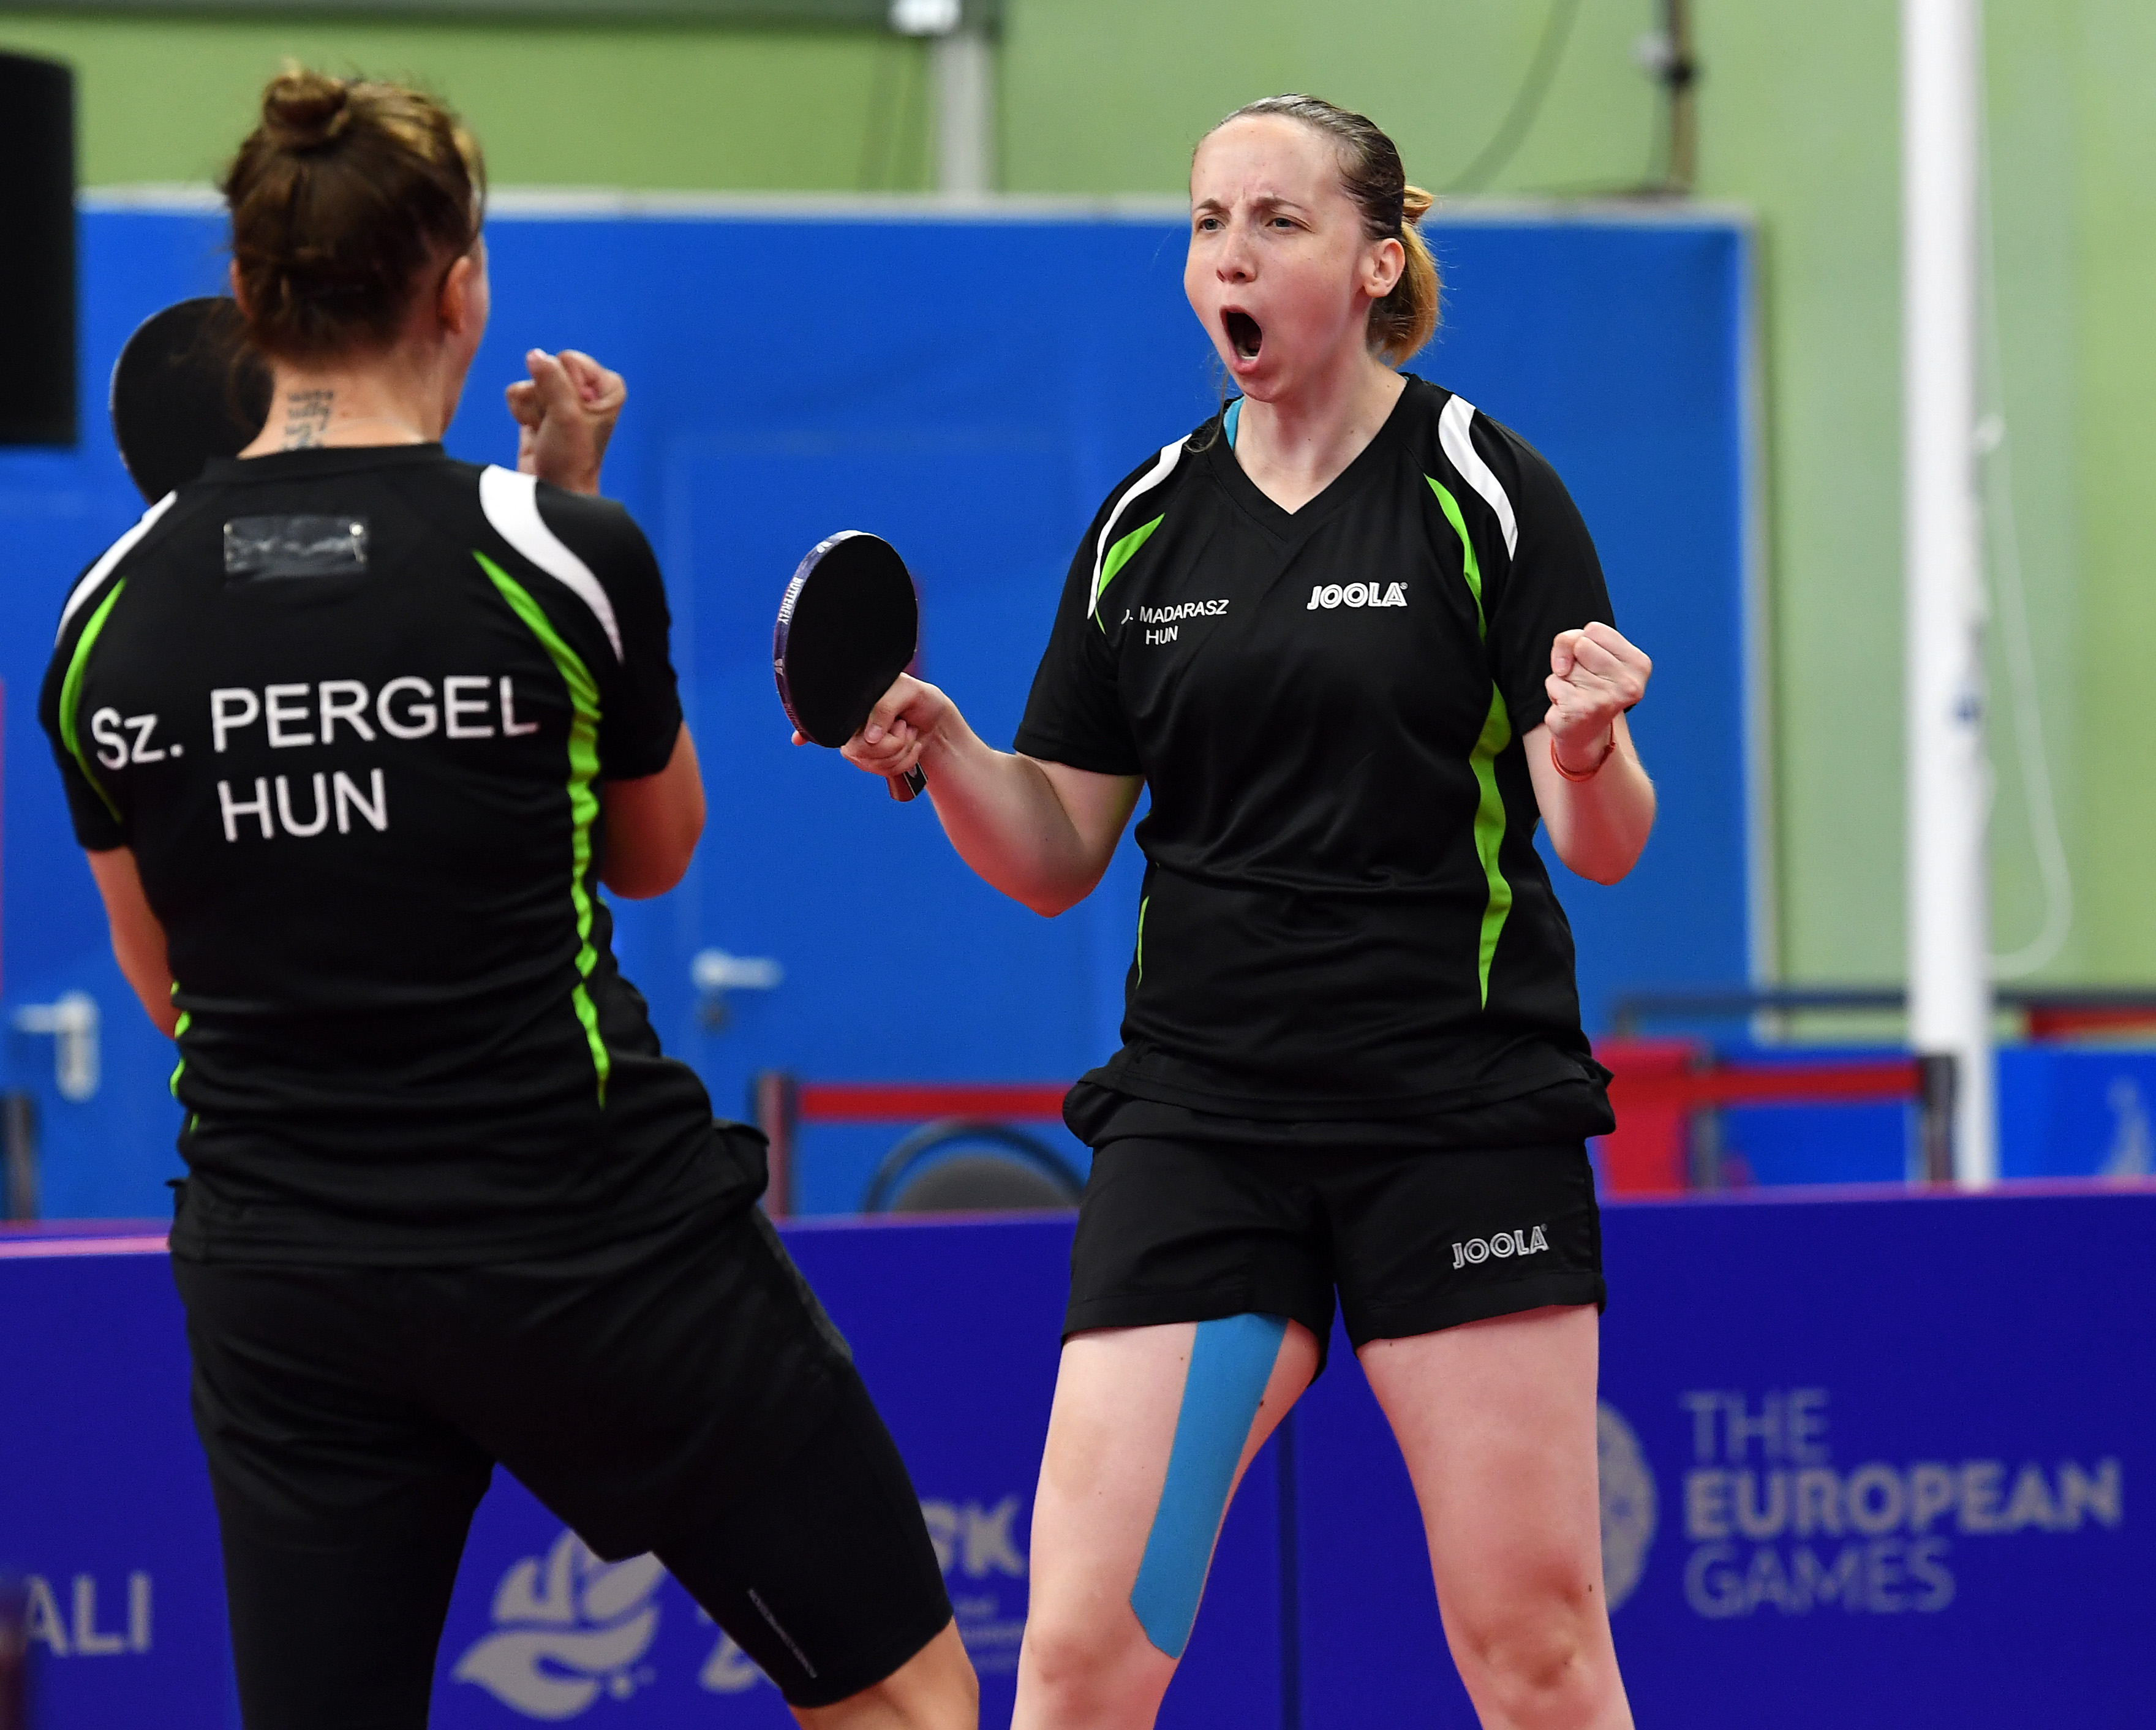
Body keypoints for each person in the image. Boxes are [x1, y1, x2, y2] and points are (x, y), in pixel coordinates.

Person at [40, 69, 976, 1730]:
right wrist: (564, 506)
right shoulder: (559, 557)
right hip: (589, 1241)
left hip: (291, 1276)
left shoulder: (103, 620)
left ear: (249, 295)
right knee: (900, 1697)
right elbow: (654, 851)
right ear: (460, 290)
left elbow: (169, 984)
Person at [831, 95, 1651, 1730]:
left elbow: (1601, 840)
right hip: (1205, 1129)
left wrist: (1585, 748)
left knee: (1534, 1651)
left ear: (1375, 262)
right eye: (1210, 222)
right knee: (1080, 1659)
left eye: (1278, 220)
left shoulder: (1487, 493)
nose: (1232, 255)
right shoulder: (1147, 523)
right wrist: (952, 754)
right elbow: (1057, 851)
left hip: (1454, 1115)